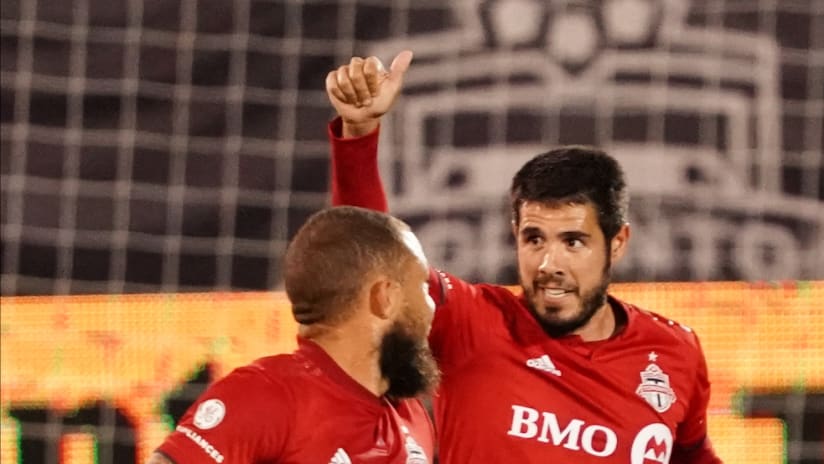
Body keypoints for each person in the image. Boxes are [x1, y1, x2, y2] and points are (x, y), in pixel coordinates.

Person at [324, 51, 723, 463]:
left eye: (573, 242)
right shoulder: (469, 322)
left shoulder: (675, 351)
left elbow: (694, 453)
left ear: (617, 242)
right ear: (515, 234)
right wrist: (359, 132)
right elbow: (374, 261)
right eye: (534, 239)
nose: (550, 265)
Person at [147, 206, 439, 464]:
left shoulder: (411, 417)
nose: (432, 307)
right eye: (424, 287)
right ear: (384, 297)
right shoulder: (266, 395)